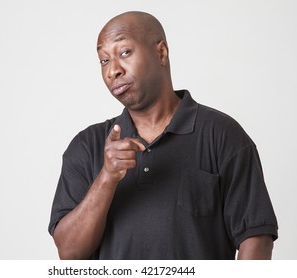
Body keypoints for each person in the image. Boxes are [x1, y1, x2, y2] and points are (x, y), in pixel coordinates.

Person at [48, 11, 278, 260]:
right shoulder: (87, 146)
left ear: (161, 53)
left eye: (124, 52)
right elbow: (69, 252)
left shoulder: (222, 135)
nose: (113, 70)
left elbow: (256, 240)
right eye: (104, 60)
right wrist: (107, 178)